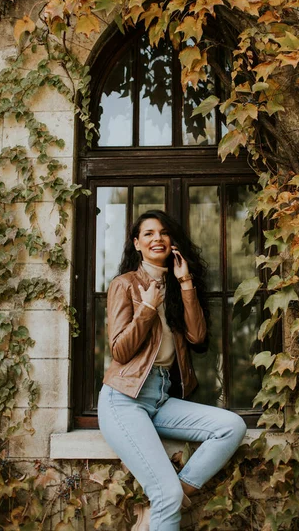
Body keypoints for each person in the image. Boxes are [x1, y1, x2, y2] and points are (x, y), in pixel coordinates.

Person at [98, 210, 247, 531]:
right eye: (148, 233)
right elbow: (120, 350)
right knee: (163, 494)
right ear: (137, 244)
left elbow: (197, 336)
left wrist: (185, 282)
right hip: (123, 399)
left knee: (231, 426)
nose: (157, 238)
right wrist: (148, 307)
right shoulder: (124, 285)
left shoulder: (178, 286)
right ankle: (165, 500)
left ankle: (167, 501)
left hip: (161, 398)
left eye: (163, 233)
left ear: (171, 242)